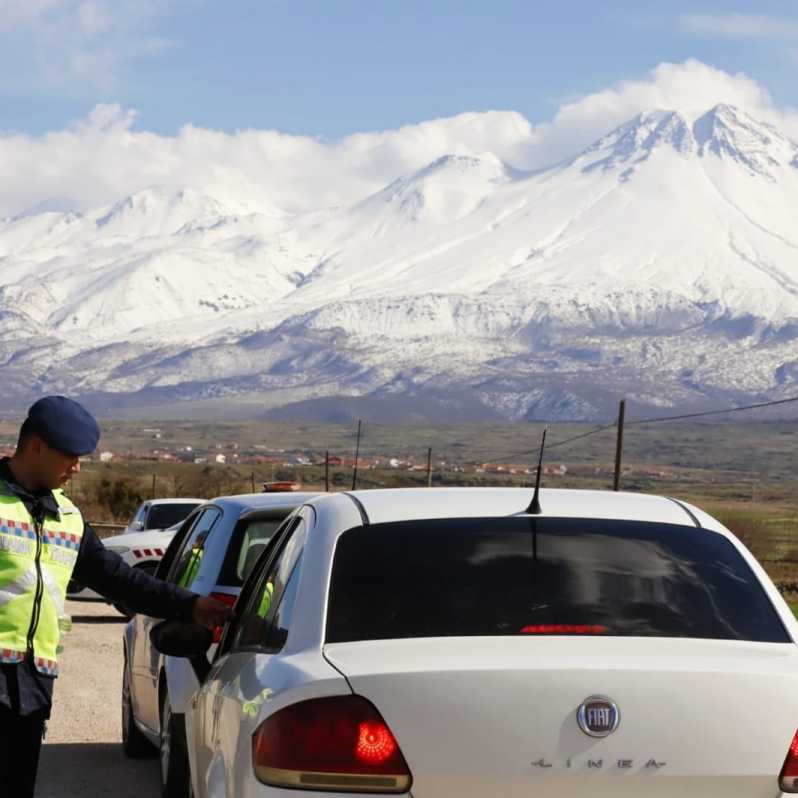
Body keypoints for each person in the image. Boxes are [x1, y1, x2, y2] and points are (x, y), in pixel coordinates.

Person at [0, 396, 233, 797]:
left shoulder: (68, 519)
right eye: (69, 455)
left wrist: (190, 605)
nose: (77, 466)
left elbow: (120, 580)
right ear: (35, 445)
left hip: (30, 690)